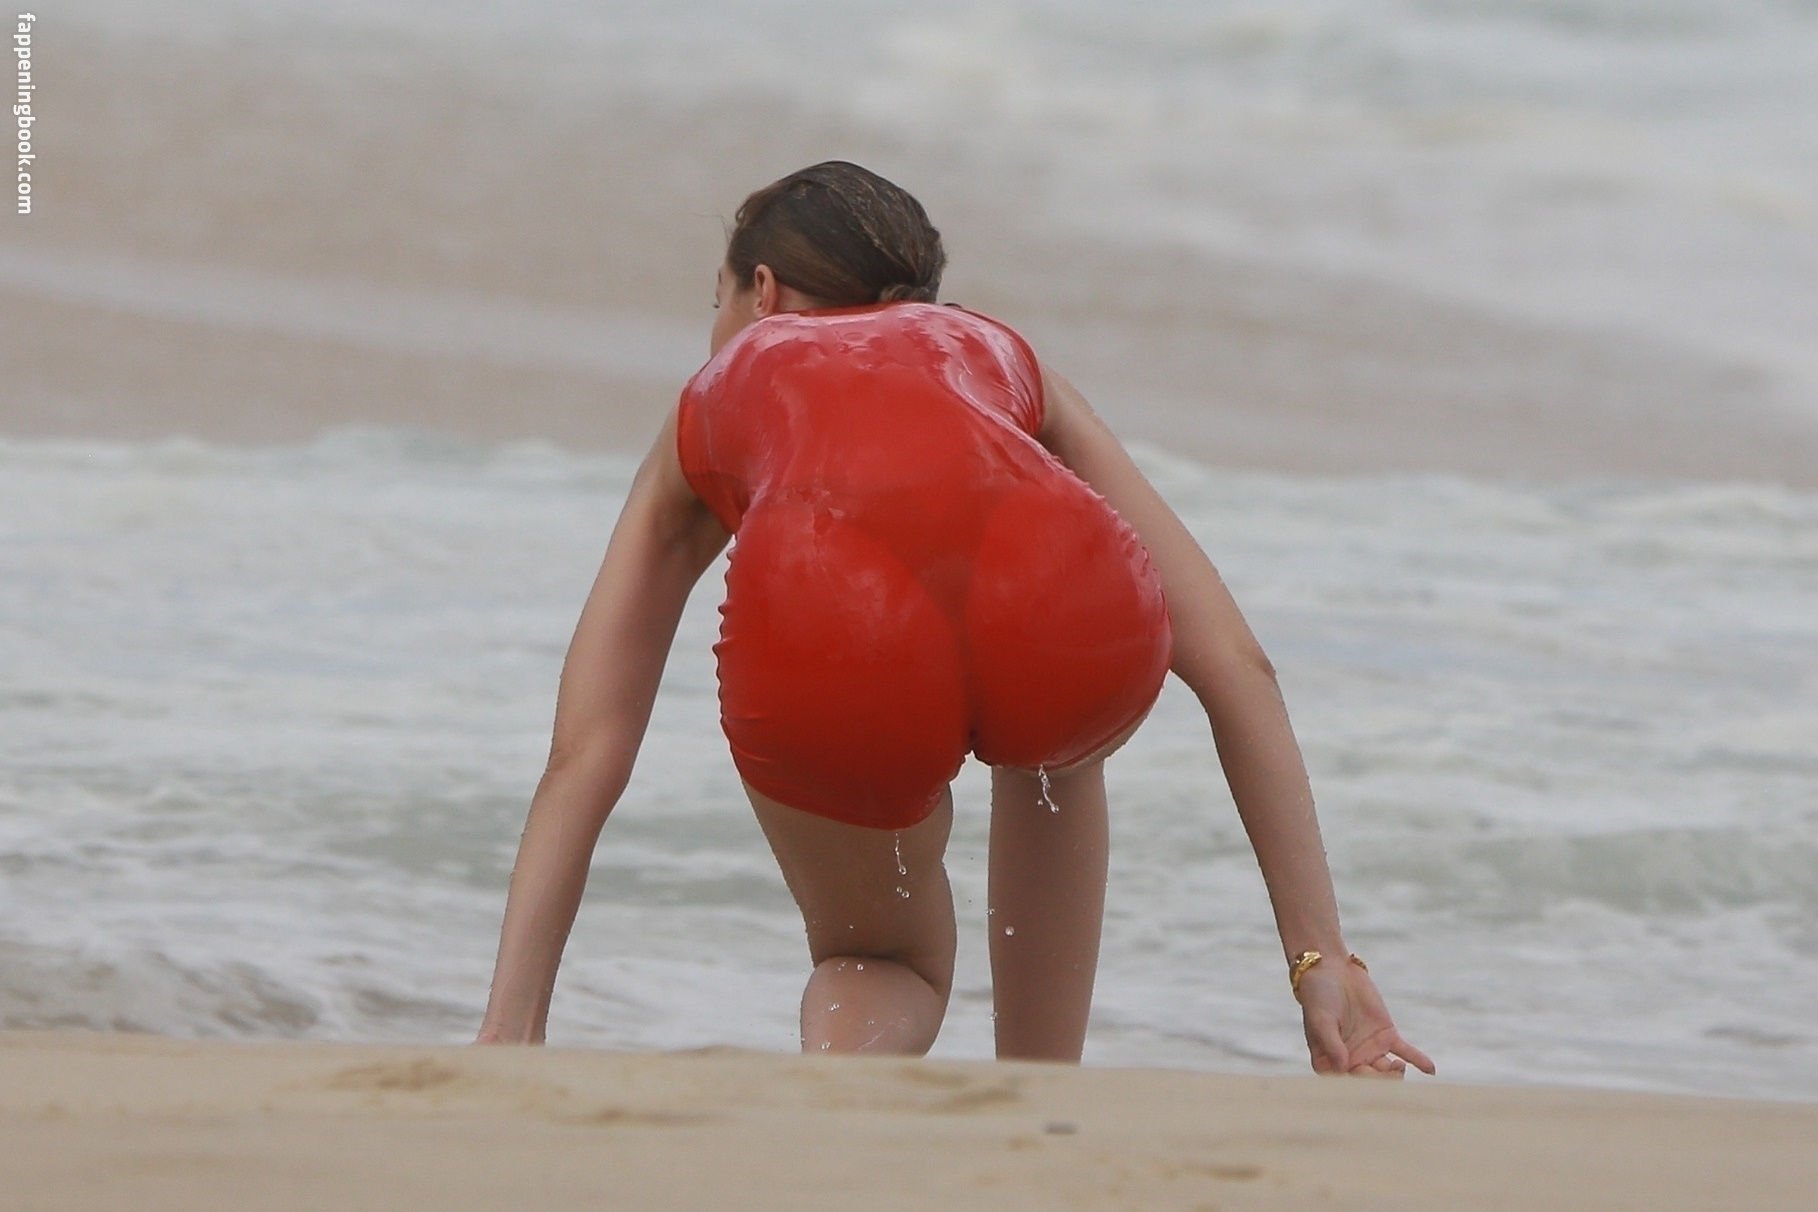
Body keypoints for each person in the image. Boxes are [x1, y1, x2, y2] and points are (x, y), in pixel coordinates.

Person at [476, 161, 1434, 1078]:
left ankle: (833, 1095)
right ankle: (1041, 1097)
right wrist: (1321, 960)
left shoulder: (722, 388)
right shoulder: (990, 351)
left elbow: (588, 748)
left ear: (759, 292)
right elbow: (1234, 664)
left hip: (839, 619)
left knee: (882, 958)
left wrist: (510, 1031)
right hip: (1063, 608)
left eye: (715, 302)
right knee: (1056, 752)